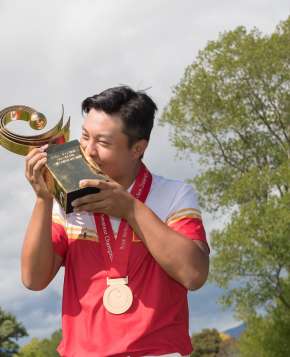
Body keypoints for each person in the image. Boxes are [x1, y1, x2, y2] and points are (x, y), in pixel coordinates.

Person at [22, 86, 209, 357]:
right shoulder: (67, 202)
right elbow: (33, 279)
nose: (87, 150)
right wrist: (43, 199)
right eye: (85, 136)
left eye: (103, 142)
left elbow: (194, 275)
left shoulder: (174, 195)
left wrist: (132, 210)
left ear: (138, 148)